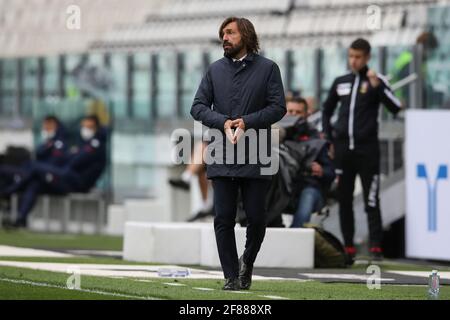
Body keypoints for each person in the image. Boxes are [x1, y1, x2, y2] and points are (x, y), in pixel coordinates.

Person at [190, 17, 286, 290]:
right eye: (222, 33)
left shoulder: (268, 68)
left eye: (230, 32)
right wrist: (222, 122)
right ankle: (231, 276)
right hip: (221, 153)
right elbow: (197, 107)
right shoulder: (214, 70)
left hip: (256, 154)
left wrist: (247, 121)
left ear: (245, 35)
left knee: (256, 217)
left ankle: (248, 261)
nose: (225, 37)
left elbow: (278, 108)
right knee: (223, 218)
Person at [322, 38, 403, 264]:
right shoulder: (341, 82)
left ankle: (376, 246)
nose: (353, 61)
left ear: (367, 57)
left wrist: (377, 86)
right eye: (350, 56)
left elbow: (395, 106)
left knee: (371, 199)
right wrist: (328, 138)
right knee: (344, 200)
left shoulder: (377, 81)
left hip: (368, 151)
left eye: (358, 57)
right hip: (342, 151)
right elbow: (327, 110)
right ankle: (348, 247)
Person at [2, 115, 107, 229]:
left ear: (95, 127)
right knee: (35, 184)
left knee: (34, 167)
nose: (85, 130)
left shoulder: (95, 144)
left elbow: (74, 161)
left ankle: (8, 192)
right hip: (68, 178)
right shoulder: (82, 143)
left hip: (76, 182)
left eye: (88, 127)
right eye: (84, 126)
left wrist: (70, 156)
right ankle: (20, 219)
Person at [284, 97, 335, 228]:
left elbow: (331, 173)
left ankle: (294, 236)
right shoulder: (274, 136)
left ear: (307, 114)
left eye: (298, 112)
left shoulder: (318, 139)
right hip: (284, 190)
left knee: (308, 194)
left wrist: (321, 171)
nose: (293, 115)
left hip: (310, 191)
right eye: (290, 111)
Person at [0, 115, 68, 196]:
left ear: (54, 125)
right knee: (31, 185)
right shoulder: (48, 142)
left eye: (47, 126)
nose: (45, 128)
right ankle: (8, 194)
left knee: (27, 176)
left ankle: (7, 192)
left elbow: (54, 162)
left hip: (48, 175)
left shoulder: (59, 142)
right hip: (36, 173)